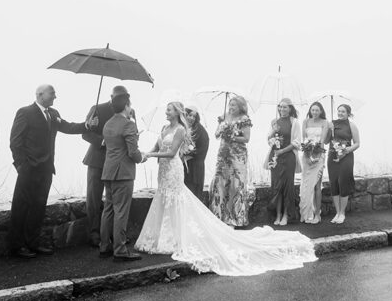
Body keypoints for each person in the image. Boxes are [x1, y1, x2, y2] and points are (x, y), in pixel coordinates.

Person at [135, 102, 316, 276]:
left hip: (174, 168)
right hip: (164, 170)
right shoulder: (164, 128)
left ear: (177, 113)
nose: (166, 112)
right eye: (166, 110)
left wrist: (150, 155)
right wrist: (145, 154)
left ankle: (178, 237)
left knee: (177, 201)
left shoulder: (181, 129)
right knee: (164, 200)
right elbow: (159, 145)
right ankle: (163, 237)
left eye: (169, 110)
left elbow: (172, 152)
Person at [8, 84, 94, 259]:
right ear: (40, 94)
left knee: (38, 208)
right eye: (52, 93)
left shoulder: (53, 114)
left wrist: (86, 125)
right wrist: (21, 166)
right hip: (28, 169)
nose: (55, 96)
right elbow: (15, 141)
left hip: (46, 169)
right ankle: (16, 247)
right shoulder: (25, 112)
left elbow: (68, 127)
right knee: (21, 207)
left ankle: (33, 243)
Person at [80, 85, 134, 248]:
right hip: (97, 160)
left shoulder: (130, 112)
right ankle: (94, 234)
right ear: (110, 96)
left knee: (115, 202)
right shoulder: (97, 108)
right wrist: (103, 141)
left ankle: (115, 235)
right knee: (94, 199)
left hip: (118, 163)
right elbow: (85, 133)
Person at [99, 91, 143, 261]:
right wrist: (142, 157)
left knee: (108, 210)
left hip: (108, 171)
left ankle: (104, 246)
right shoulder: (128, 125)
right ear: (126, 106)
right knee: (121, 212)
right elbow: (133, 152)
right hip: (123, 173)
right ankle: (120, 250)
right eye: (130, 105)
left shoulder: (108, 123)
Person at [209, 95, 255, 227]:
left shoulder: (244, 119)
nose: (231, 107)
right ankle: (219, 216)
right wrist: (222, 130)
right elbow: (216, 135)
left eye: (234, 105)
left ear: (241, 107)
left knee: (236, 185)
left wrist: (232, 136)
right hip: (223, 154)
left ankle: (236, 218)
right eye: (230, 105)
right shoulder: (224, 116)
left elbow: (246, 139)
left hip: (237, 156)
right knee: (220, 183)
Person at [266, 98, 301, 226]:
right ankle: (278, 214)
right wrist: (274, 131)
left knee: (287, 187)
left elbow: (296, 142)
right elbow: (269, 140)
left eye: (285, 107)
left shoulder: (295, 122)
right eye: (280, 107)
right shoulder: (274, 122)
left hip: (288, 157)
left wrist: (283, 151)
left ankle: (286, 215)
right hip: (275, 158)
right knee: (277, 186)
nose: (282, 109)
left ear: (290, 108)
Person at [299, 102, 332, 224]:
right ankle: (306, 213)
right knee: (306, 185)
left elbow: (322, 141)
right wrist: (307, 154)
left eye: (317, 110)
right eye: (313, 110)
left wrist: (316, 155)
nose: (314, 112)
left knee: (317, 186)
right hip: (306, 156)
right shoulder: (305, 122)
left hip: (319, 155)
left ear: (321, 111)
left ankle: (317, 214)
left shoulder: (325, 123)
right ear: (310, 110)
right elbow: (303, 140)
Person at [328, 104, 361, 224]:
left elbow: (357, 143)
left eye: (343, 111)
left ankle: (342, 213)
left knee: (343, 182)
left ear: (348, 113)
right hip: (332, 155)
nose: (340, 113)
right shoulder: (331, 124)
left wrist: (346, 150)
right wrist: (329, 130)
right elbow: (327, 141)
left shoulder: (351, 125)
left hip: (346, 157)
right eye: (339, 111)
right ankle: (337, 213)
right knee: (334, 183)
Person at [182, 104, 209, 202]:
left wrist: (188, 154)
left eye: (194, 116)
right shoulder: (183, 128)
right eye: (190, 115)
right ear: (184, 115)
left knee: (193, 196)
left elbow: (202, 150)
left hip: (195, 169)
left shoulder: (199, 130)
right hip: (185, 167)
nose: (192, 118)